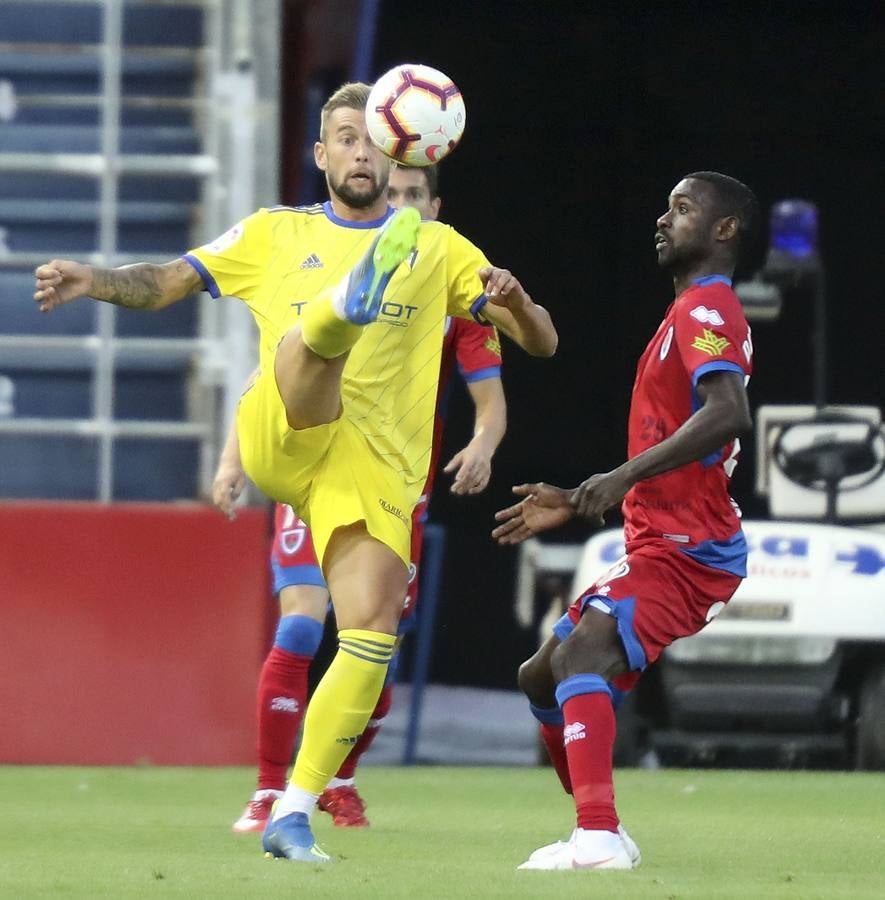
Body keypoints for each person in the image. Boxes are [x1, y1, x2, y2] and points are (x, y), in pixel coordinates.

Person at [34, 81, 557, 864]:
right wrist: (95, 280)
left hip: (373, 470)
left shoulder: (445, 251)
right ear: (320, 156)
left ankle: (294, 810)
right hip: (284, 434)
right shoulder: (273, 233)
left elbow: (543, 344)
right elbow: (168, 280)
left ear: (396, 147)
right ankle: (345, 305)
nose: (356, 151)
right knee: (306, 351)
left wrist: (514, 304)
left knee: (370, 634)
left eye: (368, 139)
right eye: (341, 138)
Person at [214, 162, 507, 833]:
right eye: (392, 195)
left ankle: (334, 780)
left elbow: (491, 400)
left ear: (435, 208)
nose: (399, 207)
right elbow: (273, 369)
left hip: (392, 485)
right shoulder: (334, 259)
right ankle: (267, 792)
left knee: (372, 644)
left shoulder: (456, 292)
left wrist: (483, 446)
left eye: (413, 198)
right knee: (298, 626)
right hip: (314, 461)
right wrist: (233, 459)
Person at [493, 171, 757, 870]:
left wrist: (620, 477)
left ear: (723, 229)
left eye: (682, 208)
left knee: (583, 654)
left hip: (690, 548)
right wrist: (583, 495)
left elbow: (728, 414)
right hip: (655, 536)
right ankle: (599, 829)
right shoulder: (686, 313)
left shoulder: (707, 312)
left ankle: (598, 837)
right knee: (540, 675)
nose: (663, 219)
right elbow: (669, 436)